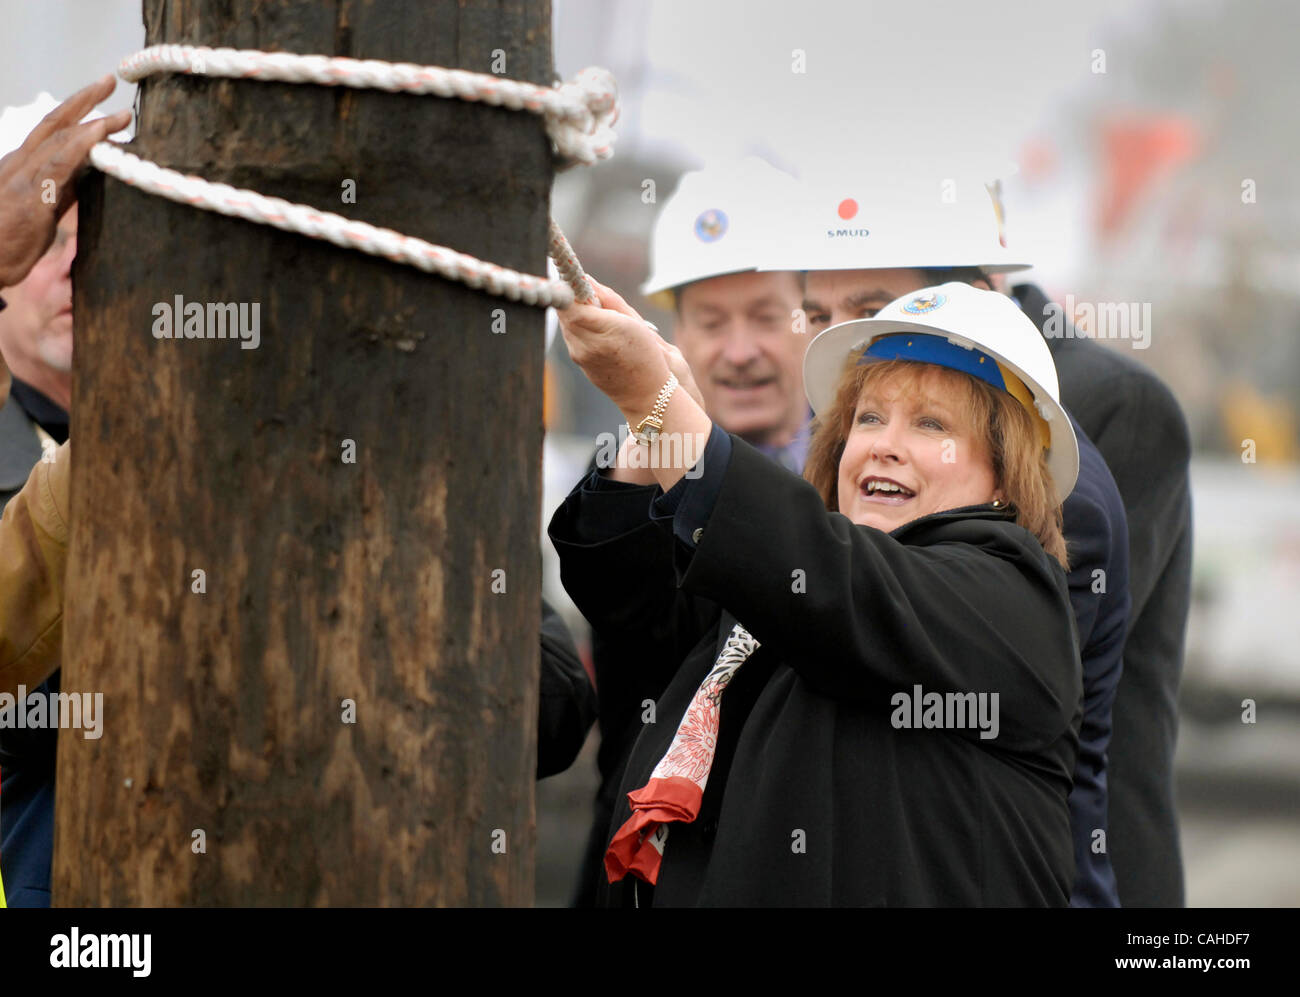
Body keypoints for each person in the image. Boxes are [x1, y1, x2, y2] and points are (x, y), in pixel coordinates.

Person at [551, 278, 1084, 905]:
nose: (884, 445)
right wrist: (658, 423)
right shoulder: (782, 595)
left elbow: (830, 576)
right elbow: (630, 596)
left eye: (930, 424)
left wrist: (657, 398)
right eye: (869, 418)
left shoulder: (1012, 601)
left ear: (1005, 473)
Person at [771, 180, 1131, 905]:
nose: (831, 337)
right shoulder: (824, 507)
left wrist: (663, 414)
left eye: (868, 309)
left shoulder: (1054, 518)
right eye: (816, 313)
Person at [571, 158, 807, 904]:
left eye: (766, 317)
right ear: (673, 331)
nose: (739, 351)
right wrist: (660, 423)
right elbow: (623, 606)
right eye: (711, 321)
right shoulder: (633, 480)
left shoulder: (865, 488)